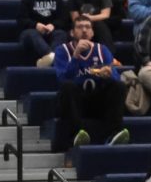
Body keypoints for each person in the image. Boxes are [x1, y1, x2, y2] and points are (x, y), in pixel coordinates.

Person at [53, 16, 128, 149]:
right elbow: (62, 80)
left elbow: (116, 78)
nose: (84, 30)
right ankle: (77, 134)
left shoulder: (102, 50)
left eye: (88, 27)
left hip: (97, 102)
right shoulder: (62, 51)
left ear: (92, 33)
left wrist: (109, 75)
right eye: (80, 27)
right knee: (68, 87)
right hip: (75, 102)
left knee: (119, 86)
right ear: (72, 33)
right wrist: (75, 56)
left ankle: (114, 133)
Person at [17, 0, 69, 66]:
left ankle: (48, 59)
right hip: (32, 33)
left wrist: (53, 25)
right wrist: (36, 25)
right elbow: (21, 20)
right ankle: (52, 56)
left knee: (61, 34)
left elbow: (63, 19)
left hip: (51, 33)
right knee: (31, 33)